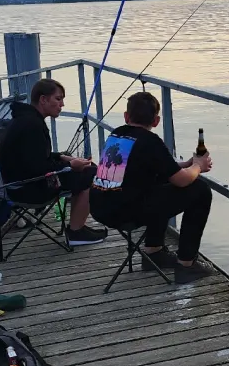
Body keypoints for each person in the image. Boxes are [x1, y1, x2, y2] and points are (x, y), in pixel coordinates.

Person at [89, 90, 213, 284]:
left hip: (99, 207)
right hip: (124, 213)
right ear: (156, 121)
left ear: (126, 116)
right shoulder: (150, 141)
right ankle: (186, 265)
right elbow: (181, 181)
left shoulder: (117, 134)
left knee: (160, 182)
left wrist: (186, 165)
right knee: (200, 191)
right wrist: (198, 166)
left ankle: (153, 253)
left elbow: (151, 167)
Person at [0, 78, 107, 247]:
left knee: (85, 168)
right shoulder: (32, 125)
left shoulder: (24, 118)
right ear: (43, 99)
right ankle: (76, 232)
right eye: (58, 99)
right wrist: (71, 166)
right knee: (91, 173)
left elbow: (34, 155)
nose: (62, 104)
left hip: (15, 184)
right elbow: (38, 168)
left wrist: (62, 157)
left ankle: (78, 227)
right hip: (28, 189)